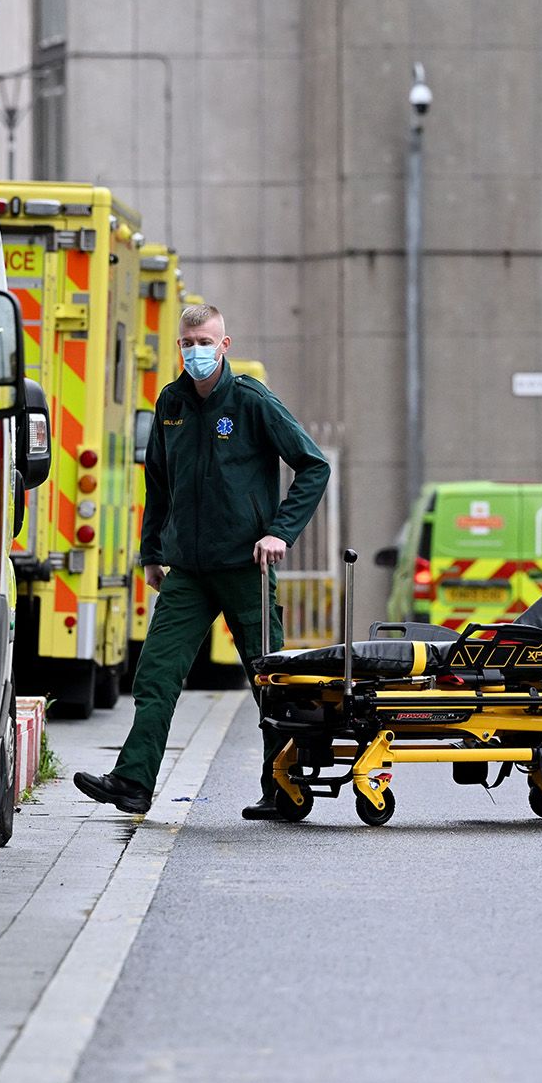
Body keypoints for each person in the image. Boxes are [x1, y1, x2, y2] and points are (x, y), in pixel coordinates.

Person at [75, 304, 329, 817]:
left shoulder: (252, 401)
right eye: (187, 342)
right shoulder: (171, 402)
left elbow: (313, 465)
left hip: (245, 569)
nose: (196, 350)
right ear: (179, 345)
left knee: (269, 682)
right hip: (187, 571)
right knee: (156, 675)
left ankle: (283, 789)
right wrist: (152, 553)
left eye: (204, 341)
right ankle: (133, 782)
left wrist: (280, 532)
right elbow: (159, 486)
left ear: (224, 344)